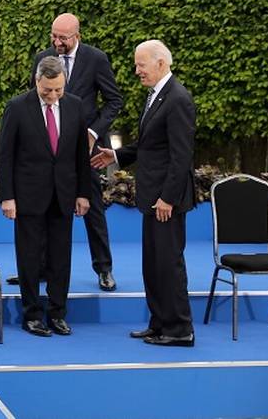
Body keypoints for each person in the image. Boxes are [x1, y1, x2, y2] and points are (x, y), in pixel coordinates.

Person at [92, 40, 195, 346]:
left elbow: (181, 156)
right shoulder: (156, 96)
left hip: (166, 201)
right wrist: (117, 156)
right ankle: (160, 322)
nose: (137, 70)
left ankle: (179, 330)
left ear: (161, 63)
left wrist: (168, 198)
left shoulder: (178, 99)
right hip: (153, 198)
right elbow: (151, 146)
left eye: (141, 64)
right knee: (153, 264)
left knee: (168, 264)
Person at [15, 13, 123, 291]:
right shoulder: (42, 58)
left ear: (77, 36)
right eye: (54, 35)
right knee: (44, 205)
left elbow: (114, 100)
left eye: (63, 37)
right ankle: (38, 269)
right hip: (49, 150)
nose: (57, 42)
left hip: (84, 149)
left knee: (93, 207)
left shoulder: (96, 58)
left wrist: (92, 132)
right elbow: (33, 101)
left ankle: (104, 269)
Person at [0, 56, 91, 338]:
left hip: (63, 195)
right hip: (28, 196)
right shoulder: (17, 107)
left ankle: (58, 313)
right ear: (37, 81)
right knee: (28, 257)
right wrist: (7, 197)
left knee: (61, 257)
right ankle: (32, 314)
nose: (53, 96)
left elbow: (79, 157)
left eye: (58, 90)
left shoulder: (75, 106)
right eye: (47, 90)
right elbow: (5, 156)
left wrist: (83, 193)